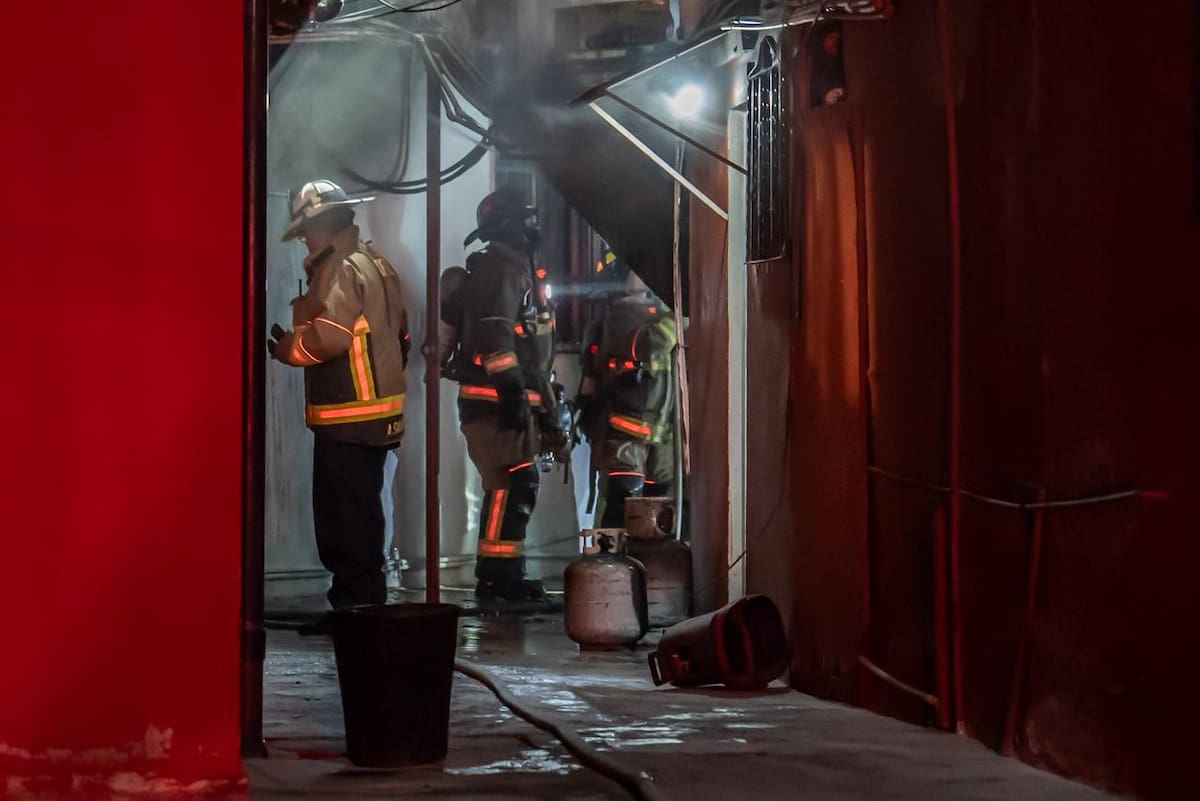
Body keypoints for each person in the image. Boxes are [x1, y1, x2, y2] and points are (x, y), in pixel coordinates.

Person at [268, 179, 410, 613]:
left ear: (325, 224)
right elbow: (400, 336)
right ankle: (364, 603)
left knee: (343, 520)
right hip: (376, 416)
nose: (305, 240)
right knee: (365, 513)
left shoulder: (340, 268)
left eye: (307, 231)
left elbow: (329, 339)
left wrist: (287, 348)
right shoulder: (375, 261)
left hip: (346, 417)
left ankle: (353, 607)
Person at [447, 186, 557, 603]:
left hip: (506, 400)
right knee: (509, 484)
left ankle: (505, 573)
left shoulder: (517, 267)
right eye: (526, 220)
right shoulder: (503, 269)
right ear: (508, 226)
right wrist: (511, 393)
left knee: (514, 486)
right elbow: (496, 337)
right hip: (494, 402)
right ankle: (496, 579)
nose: (534, 227)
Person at [577, 247, 678, 529]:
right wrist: (675, 318)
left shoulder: (653, 311)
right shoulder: (620, 316)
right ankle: (606, 565)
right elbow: (650, 344)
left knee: (657, 507)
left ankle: (645, 564)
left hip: (659, 432)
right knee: (622, 499)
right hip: (625, 435)